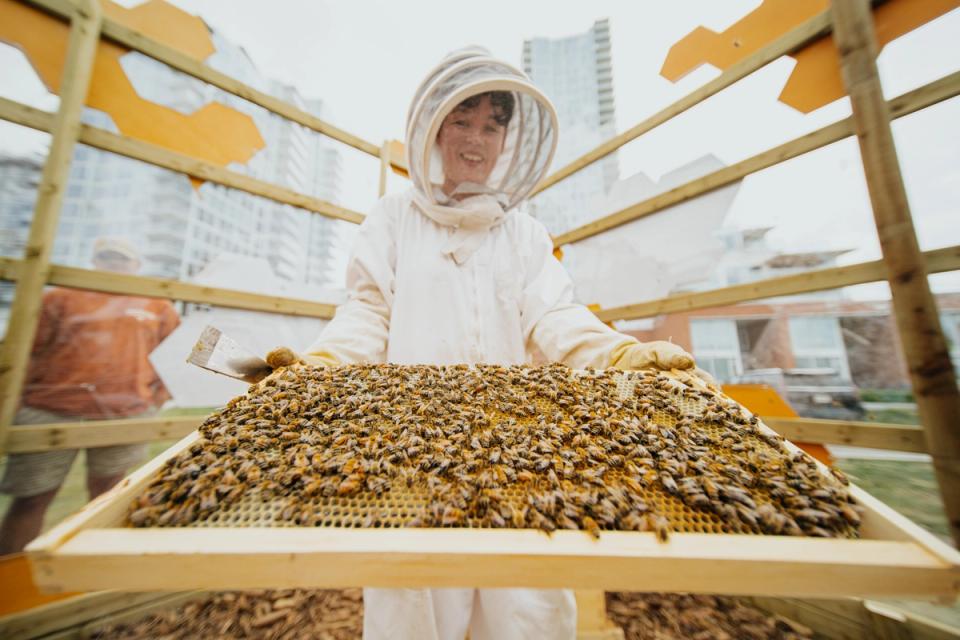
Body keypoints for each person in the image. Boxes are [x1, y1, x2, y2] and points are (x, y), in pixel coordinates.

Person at [294, 48, 699, 640]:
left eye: (493, 124)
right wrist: (323, 362)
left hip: (514, 453)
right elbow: (366, 311)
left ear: (509, 139)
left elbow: (555, 316)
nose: (476, 139)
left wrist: (615, 354)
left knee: (524, 605)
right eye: (462, 120)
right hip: (414, 451)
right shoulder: (392, 219)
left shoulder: (525, 234)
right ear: (433, 127)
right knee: (417, 604)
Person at [0, 237, 180, 554]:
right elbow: (27, 349)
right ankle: (13, 580)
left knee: (109, 494)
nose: (115, 264)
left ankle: (94, 565)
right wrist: (14, 398)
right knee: (32, 497)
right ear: (95, 261)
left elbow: (174, 353)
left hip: (126, 411)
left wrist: (157, 397)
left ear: (136, 265)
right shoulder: (60, 297)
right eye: (108, 258)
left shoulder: (155, 304)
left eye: (122, 259)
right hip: (51, 410)